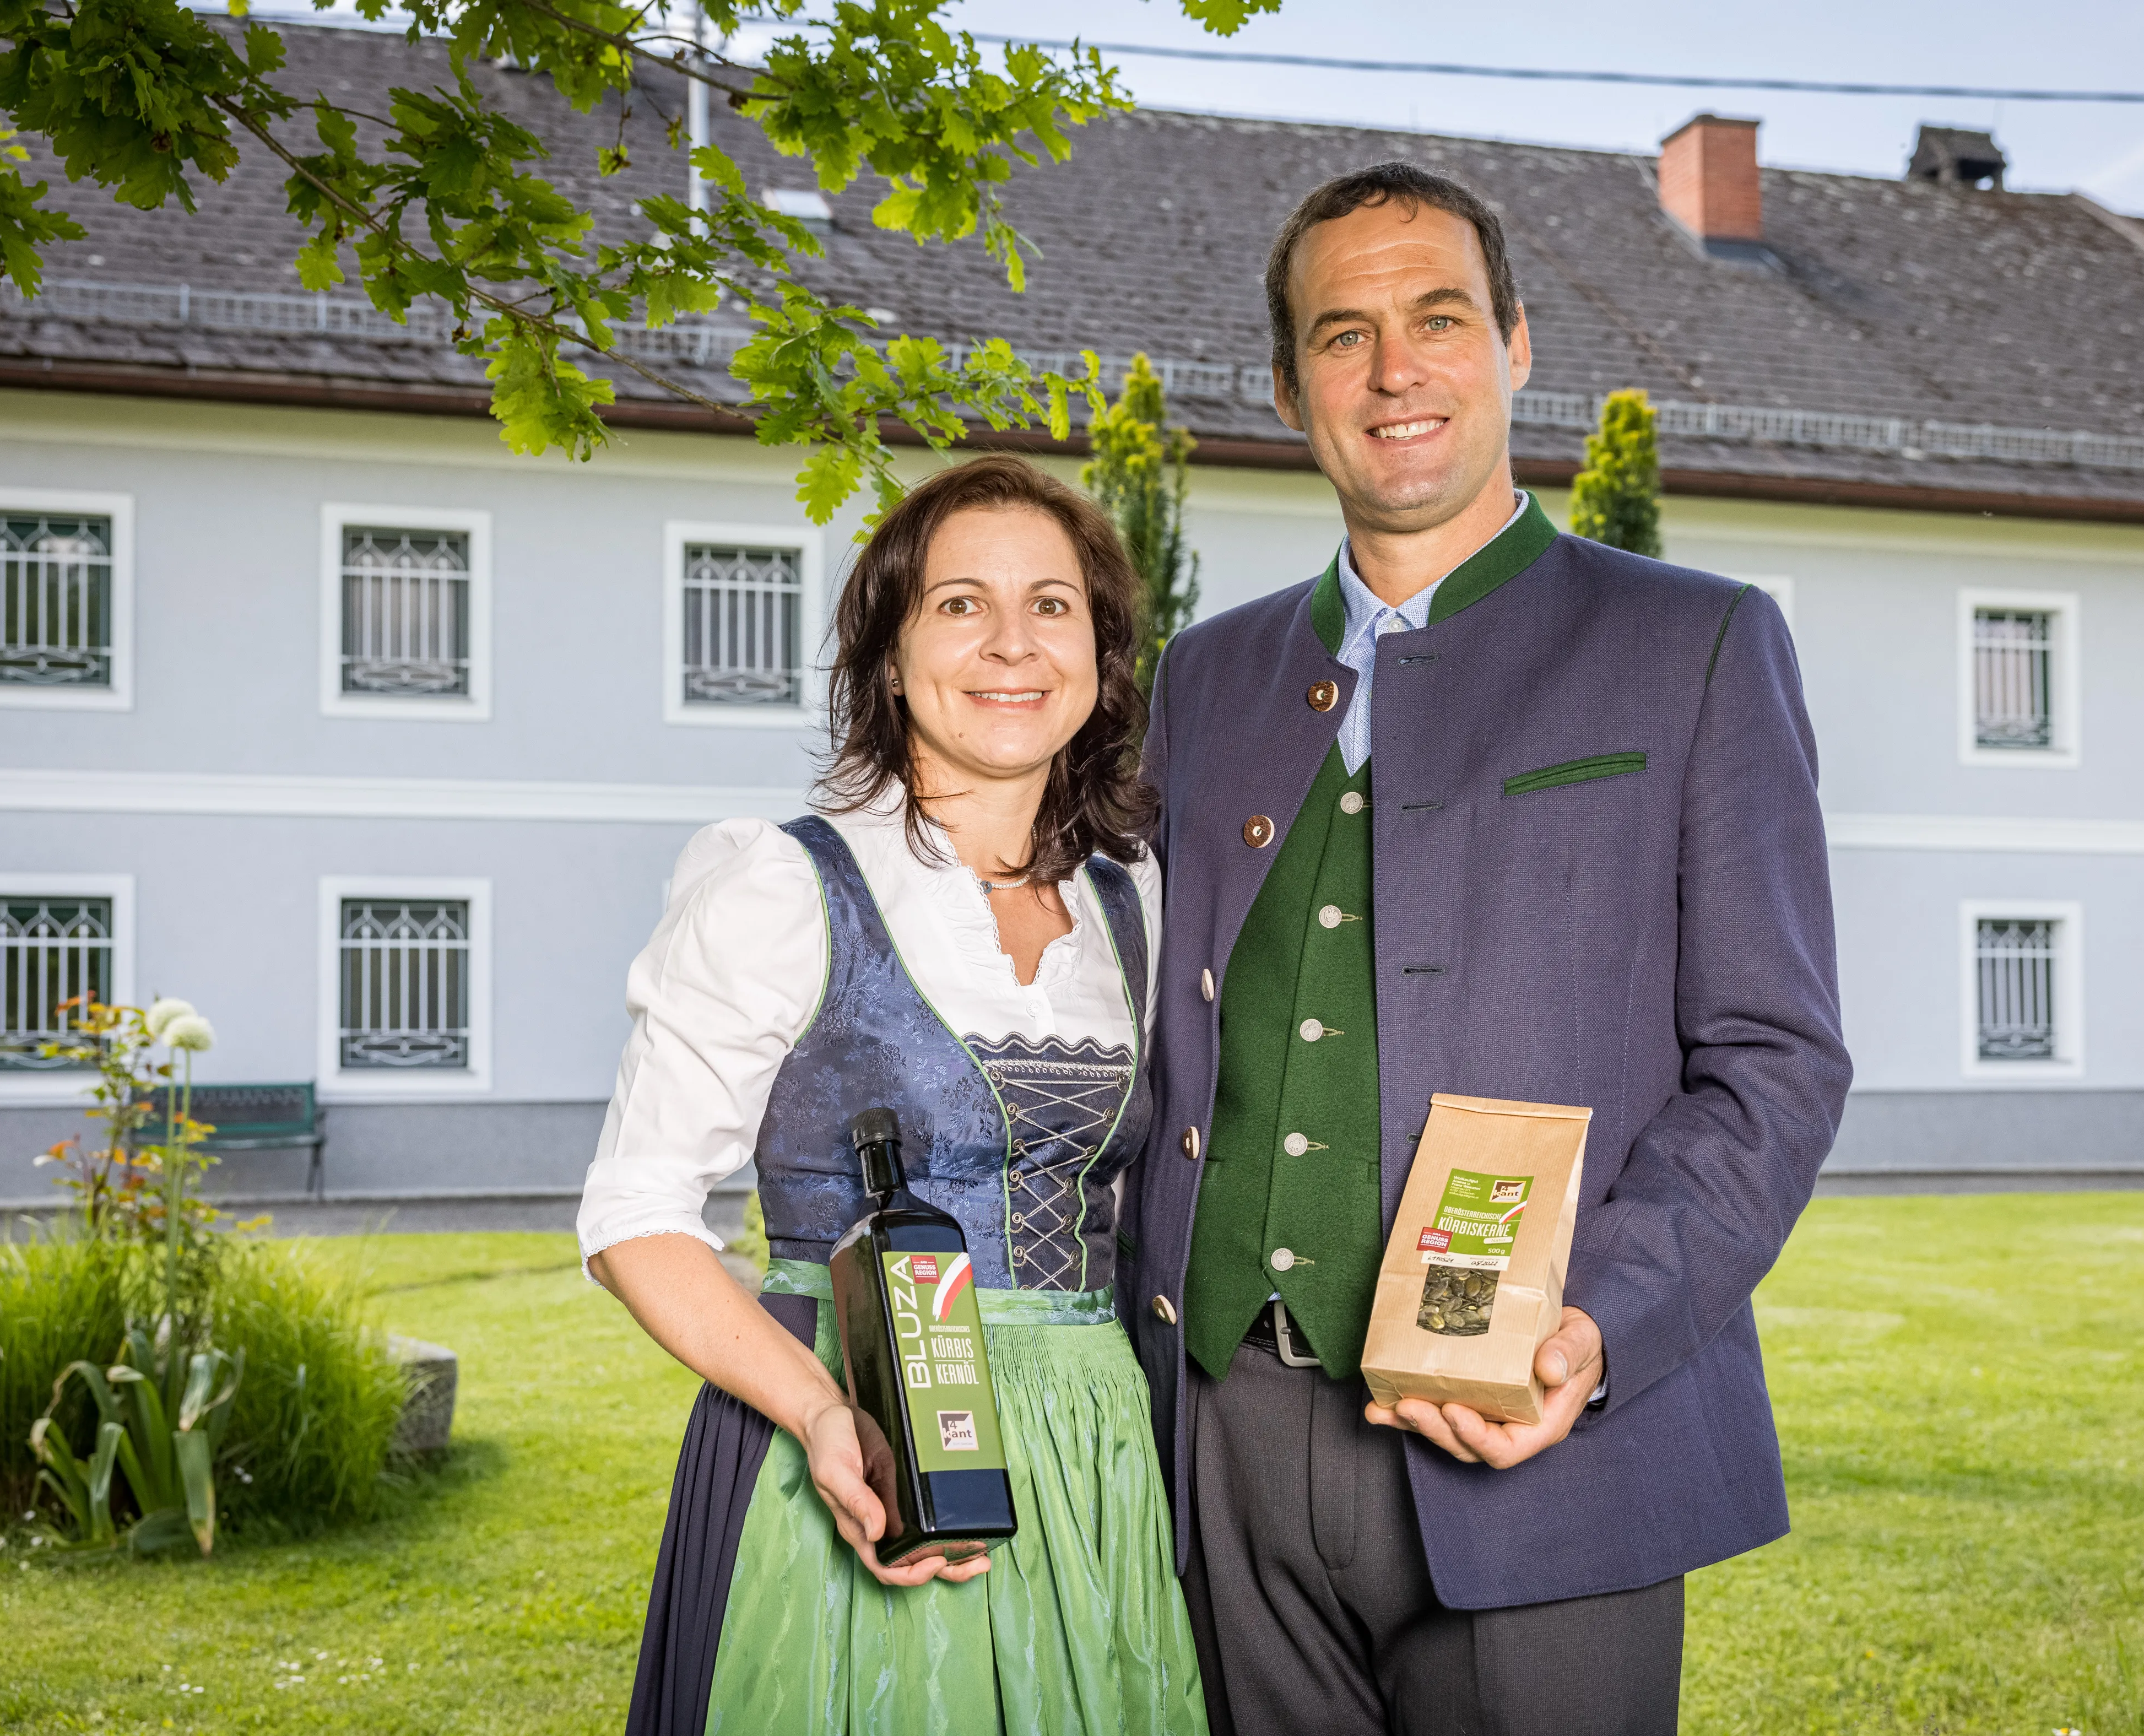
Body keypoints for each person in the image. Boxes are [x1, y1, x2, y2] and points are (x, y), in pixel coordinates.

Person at [1123, 163, 1854, 1735]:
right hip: (1228, 1436)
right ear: (1285, 382)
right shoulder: (1203, 674)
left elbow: (1772, 1061)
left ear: (1516, 343)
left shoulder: (1694, 643)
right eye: (1343, 333)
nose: (1395, 370)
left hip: (1542, 1428)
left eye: (1437, 317)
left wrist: (1593, 1327)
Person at [580, 455, 1206, 1736]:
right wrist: (822, 1412)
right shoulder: (779, 884)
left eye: (1051, 606)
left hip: (1094, 1456)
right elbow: (636, 1213)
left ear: (1099, 654)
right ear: (889, 650)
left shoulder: (1132, 897)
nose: (1010, 644)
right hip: (859, 1427)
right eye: (959, 604)